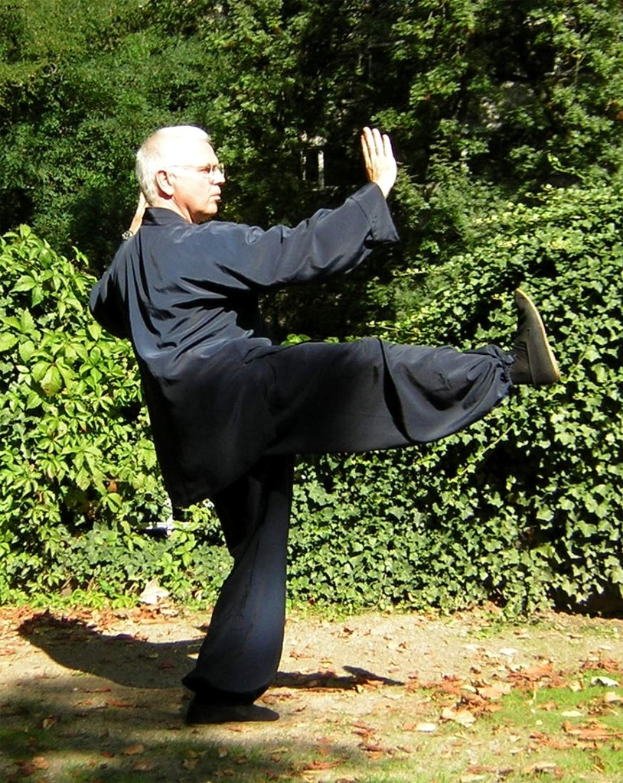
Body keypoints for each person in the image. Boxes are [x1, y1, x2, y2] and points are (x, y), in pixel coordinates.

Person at [90, 124, 560, 725]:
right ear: (164, 180)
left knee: (259, 548)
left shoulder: (137, 258)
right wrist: (377, 192)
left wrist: (131, 240)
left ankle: (222, 692)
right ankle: (507, 366)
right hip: (249, 394)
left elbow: (106, 306)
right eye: (206, 168)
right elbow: (298, 249)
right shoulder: (195, 246)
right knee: (364, 366)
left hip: (202, 430)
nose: (221, 176)